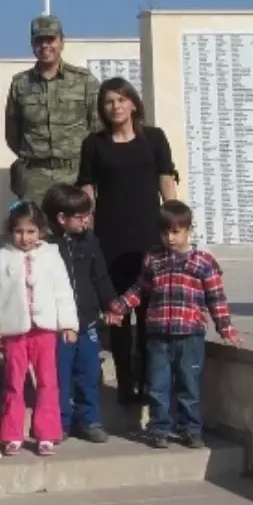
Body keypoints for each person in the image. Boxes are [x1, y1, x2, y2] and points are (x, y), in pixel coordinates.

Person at [107, 200, 242, 450]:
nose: (170, 238)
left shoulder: (203, 261)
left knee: (189, 384)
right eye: (164, 232)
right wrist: (120, 307)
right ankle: (160, 428)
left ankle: (190, 429)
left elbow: (216, 297)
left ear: (188, 230)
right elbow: (140, 288)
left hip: (189, 335)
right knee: (158, 385)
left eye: (176, 232)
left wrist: (226, 328)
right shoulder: (153, 258)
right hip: (158, 334)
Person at [77, 77, 179, 405]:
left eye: (121, 100)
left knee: (150, 314)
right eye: (109, 102)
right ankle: (125, 383)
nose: (116, 106)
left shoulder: (154, 138)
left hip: (149, 236)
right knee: (117, 315)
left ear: (133, 103)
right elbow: (88, 188)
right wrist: (84, 227)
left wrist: (175, 221)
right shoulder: (94, 143)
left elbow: (166, 178)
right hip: (111, 237)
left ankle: (150, 381)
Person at [0, 202, 78, 457]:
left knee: (48, 382)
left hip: (44, 330)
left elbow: (63, 292)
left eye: (31, 231)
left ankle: (47, 433)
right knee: (14, 382)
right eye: (19, 232)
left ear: (42, 231)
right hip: (14, 331)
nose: (24, 238)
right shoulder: (0, 258)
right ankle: (12, 434)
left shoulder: (51, 256)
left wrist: (68, 324)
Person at [41, 185, 117, 443]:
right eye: (80, 216)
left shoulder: (91, 241)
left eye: (87, 215)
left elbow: (100, 276)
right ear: (61, 218)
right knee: (60, 375)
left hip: (87, 321)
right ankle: (61, 422)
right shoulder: (45, 246)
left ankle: (89, 420)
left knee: (88, 372)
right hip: (59, 324)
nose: (86, 220)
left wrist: (112, 304)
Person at [3, 15, 100, 206]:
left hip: (75, 175)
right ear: (32, 44)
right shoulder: (20, 84)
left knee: (78, 233)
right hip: (35, 177)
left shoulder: (83, 81)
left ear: (62, 41)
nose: (45, 45)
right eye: (39, 40)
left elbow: (97, 128)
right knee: (36, 233)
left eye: (51, 39)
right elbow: (13, 133)